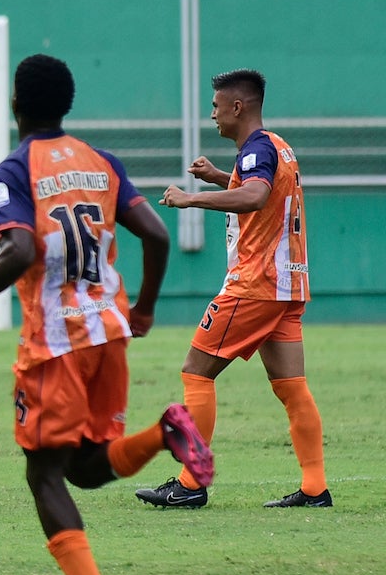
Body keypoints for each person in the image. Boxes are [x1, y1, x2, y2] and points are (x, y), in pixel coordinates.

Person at [0, 54, 213, 575]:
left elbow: (20, 251)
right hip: (108, 334)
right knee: (83, 469)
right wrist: (146, 308)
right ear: (66, 104)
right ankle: (165, 433)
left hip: (55, 344)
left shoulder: (13, 171)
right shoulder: (100, 163)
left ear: (15, 105)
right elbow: (156, 233)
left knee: (43, 474)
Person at [139, 68, 330, 510]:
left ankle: (190, 483)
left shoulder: (256, 148)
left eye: (216, 107)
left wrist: (190, 198)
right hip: (288, 283)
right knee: (292, 387)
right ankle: (316, 488)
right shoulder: (276, 146)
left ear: (237, 107)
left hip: (255, 285)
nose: (213, 116)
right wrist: (218, 177)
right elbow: (258, 188)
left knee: (196, 372)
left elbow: (256, 196)